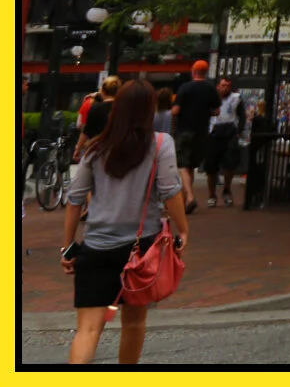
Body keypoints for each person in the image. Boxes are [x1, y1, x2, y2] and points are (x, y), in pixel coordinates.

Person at [60, 78, 188, 365]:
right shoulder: (160, 144)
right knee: (132, 324)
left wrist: (68, 246)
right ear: (149, 110)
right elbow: (171, 193)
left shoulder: (95, 149)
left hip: (96, 247)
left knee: (88, 329)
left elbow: (74, 199)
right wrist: (184, 229)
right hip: (141, 250)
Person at [171, 61, 218, 214]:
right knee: (191, 165)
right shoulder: (210, 88)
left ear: (193, 71)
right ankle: (186, 198)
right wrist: (203, 112)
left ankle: (190, 197)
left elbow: (176, 110)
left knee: (182, 165)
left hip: (185, 130)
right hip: (202, 131)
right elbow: (216, 111)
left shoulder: (185, 88)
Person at [203, 77, 245, 208]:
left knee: (229, 164)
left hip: (229, 132)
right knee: (211, 167)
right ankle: (211, 194)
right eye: (223, 85)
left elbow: (241, 115)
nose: (225, 88)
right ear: (218, 86)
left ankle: (227, 189)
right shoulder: (210, 99)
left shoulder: (236, 98)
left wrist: (239, 131)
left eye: (228, 85)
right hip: (213, 133)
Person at [74, 76, 121, 162]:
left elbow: (87, 131)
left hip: (99, 150)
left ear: (102, 91)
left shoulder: (96, 108)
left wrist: (78, 147)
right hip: (118, 149)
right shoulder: (123, 107)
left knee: (82, 175)